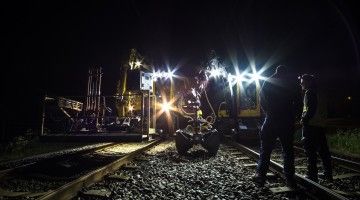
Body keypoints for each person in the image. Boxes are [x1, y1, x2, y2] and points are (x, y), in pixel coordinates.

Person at [253, 65, 301, 188]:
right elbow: (299, 102)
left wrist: (269, 112)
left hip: (271, 120)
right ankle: (290, 179)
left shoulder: (268, 81)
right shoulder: (292, 83)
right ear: (286, 73)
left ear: (276, 72)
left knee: (266, 150)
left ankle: (260, 176)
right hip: (286, 121)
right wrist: (295, 116)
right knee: (288, 151)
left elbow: (261, 99)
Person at [300, 74, 332, 182]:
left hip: (311, 126)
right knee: (324, 151)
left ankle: (312, 175)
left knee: (310, 151)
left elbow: (311, 109)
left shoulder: (310, 92)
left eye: (303, 81)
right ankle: (328, 175)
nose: (301, 83)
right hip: (320, 125)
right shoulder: (320, 92)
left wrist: (304, 120)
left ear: (309, 82)